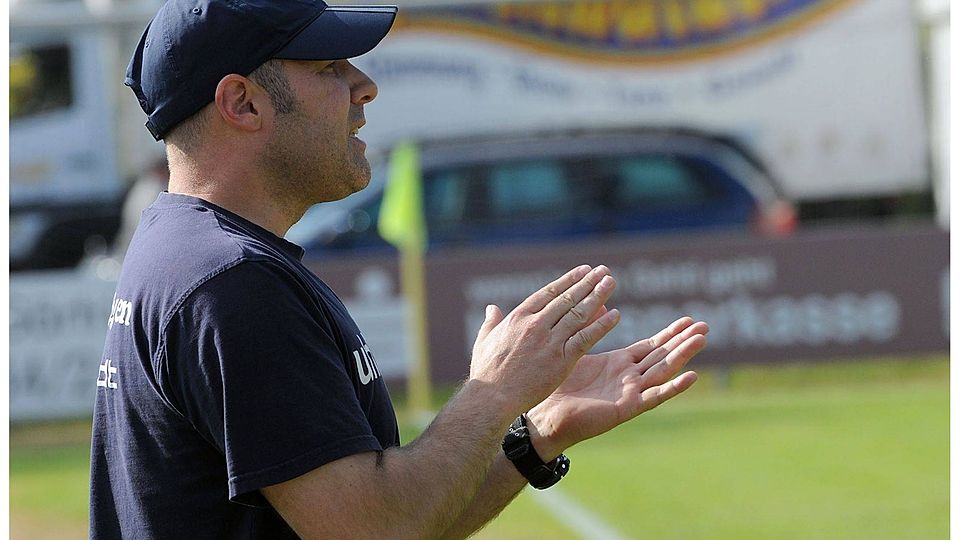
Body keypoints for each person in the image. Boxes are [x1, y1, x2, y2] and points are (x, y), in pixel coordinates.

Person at [89, 0, 709, 538]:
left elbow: (401, 521)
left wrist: (534, 434)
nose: (364, 86)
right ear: (242, 103)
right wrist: (493, 394)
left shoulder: (188, 250)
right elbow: (375, 531)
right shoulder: (230, 283)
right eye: (330, 67)